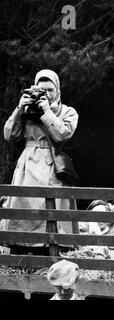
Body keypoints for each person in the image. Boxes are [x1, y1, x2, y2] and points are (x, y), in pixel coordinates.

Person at [3, 69, 79, 255]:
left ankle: (52, 254)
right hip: (28, 165)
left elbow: (62, 135)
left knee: (53, 212)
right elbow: (9, 135)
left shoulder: (67, 111)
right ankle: (20, 252)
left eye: (50, 90)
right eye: (41, 89)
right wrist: (20, 109)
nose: (46, 94)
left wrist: (46, 111)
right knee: (24, 208)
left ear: (58, 91)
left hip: (53, 164)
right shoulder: (26, 110)